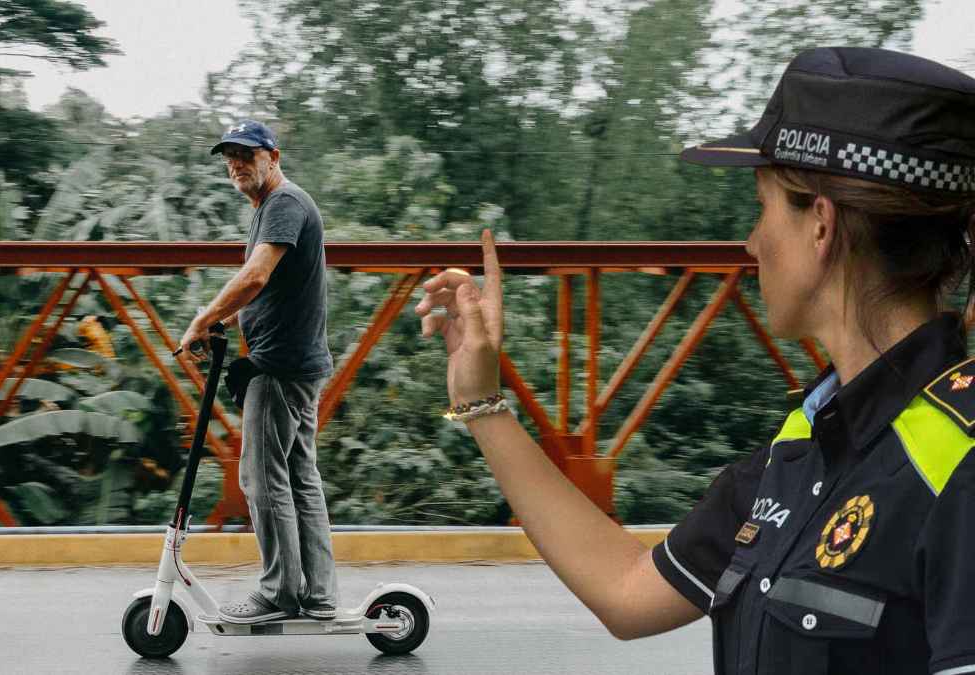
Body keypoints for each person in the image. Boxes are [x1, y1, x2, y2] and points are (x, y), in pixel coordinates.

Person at [416, 47, 975, 673]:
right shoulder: (804, 445)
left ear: (821, 225)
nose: (751, 242)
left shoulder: (959, 467)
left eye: (762, 208)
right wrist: (482, 404)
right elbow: (626, 591)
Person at [179, 119, 337, 624]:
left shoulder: (284, 202)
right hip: (299, 364)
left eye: (246, 154)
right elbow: (268, 288)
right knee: (299, 477)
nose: (236, 164)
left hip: (280, 366)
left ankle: (279, 593)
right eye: (230, 156)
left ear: (273, 156)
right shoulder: (276, 206)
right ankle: (318, 594)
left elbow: (256, 276)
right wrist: (222, 322)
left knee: (261, 479)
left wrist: (201, 320)